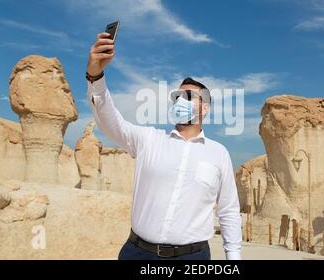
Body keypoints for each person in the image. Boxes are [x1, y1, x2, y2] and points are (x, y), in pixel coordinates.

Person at [86, 32, 242, 260]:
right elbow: (110, 122)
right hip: (138, 253)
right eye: (177, 96)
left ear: (205, 108)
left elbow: (228, 210)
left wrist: (234, 258)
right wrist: (95, 76)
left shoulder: (219, 154)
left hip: (193, 258)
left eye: (188, 96)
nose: (180, 101)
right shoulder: (149, 139)